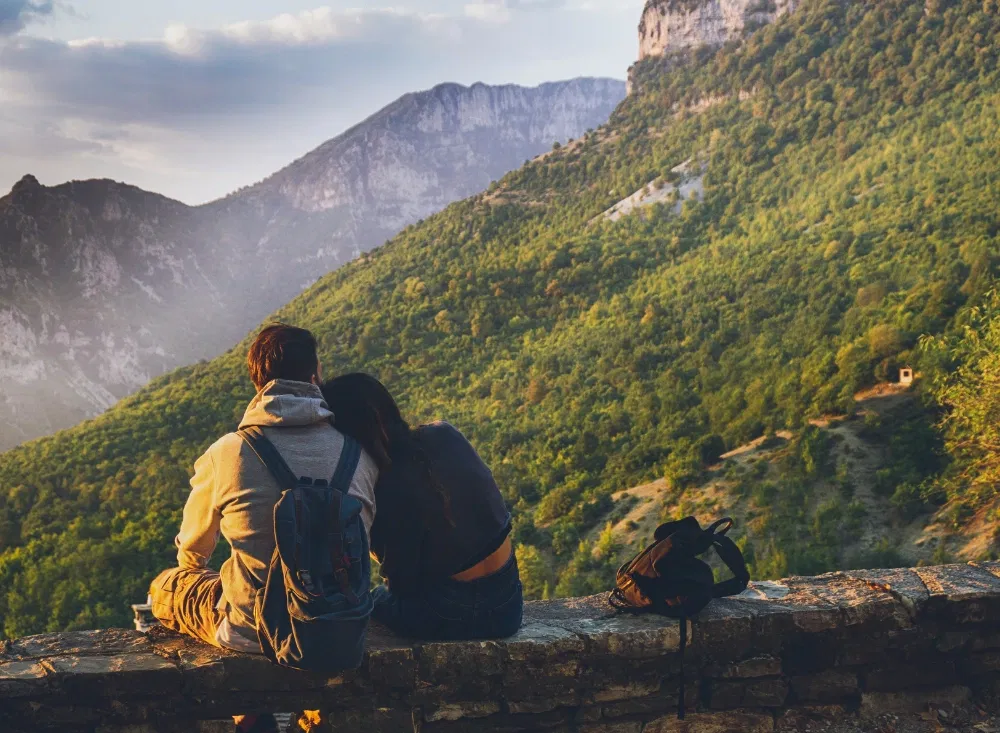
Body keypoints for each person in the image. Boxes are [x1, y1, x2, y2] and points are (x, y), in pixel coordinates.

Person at [148, 325, 379, 733]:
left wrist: (197, 568)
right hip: (337, 624)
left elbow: (193, 549)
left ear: (257, 382)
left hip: (248, 630)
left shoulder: (228, 452)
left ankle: (250, 718)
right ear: (315, 375)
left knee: (165, 586)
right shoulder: (357, 453)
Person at [321, 373, 522, 641]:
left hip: (451, 612)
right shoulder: (444, 433)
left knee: (373, 600)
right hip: (509, 602)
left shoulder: (385, 484)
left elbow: (402, 585)